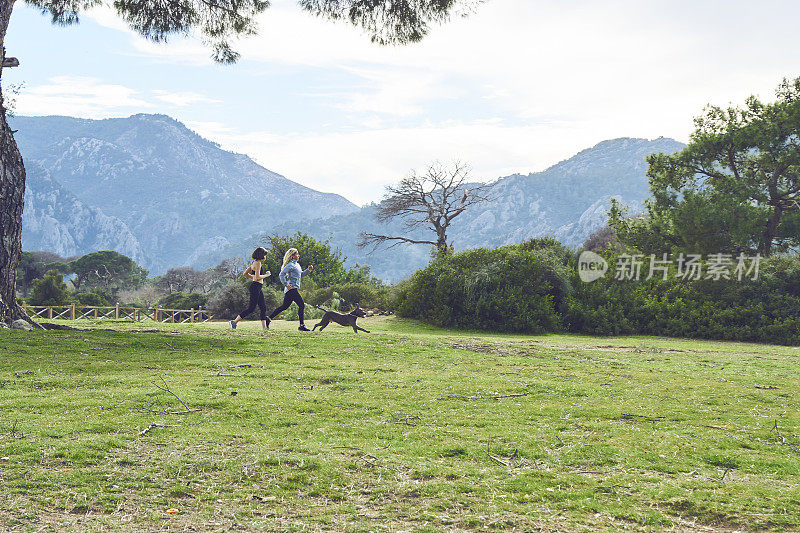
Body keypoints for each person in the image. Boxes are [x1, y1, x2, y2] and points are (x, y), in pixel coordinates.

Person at [267, 248, 313, 331]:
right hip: (292, 289)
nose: (298, 255)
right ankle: (302, 325)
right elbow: (281, 274)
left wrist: (308, 270)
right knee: (301, 305)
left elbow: (301, 275)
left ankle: (268, 319)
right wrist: (286, 284)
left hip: (292, 289)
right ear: (292, 256)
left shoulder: (297, 265)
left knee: (284, 306)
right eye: (297, 254)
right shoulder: (290, 265)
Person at [230, 247, 271, 330]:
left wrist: (253, 277)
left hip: (257, 287)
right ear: (261, 255)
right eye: (264, 255)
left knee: (263, 307)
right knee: (251, 308)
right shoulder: (258, 263)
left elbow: (245, 274)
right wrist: (266, 275)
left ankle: (265, 328)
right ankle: (234, 322)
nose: (265, 257)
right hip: (255, 287)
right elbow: (257, 277)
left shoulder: (254, 263)